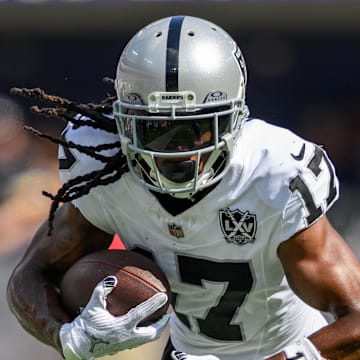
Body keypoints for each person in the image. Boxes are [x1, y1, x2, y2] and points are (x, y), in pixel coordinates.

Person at [7, 15, 360, 360]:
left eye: (196, 129)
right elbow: (30, 276)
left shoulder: (272, 175)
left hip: (291, 349)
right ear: (124, 123)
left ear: (236, 120)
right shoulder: (104, 166)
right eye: (154, 129)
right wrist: (68, 336)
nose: (177, 153)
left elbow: (356, 317)